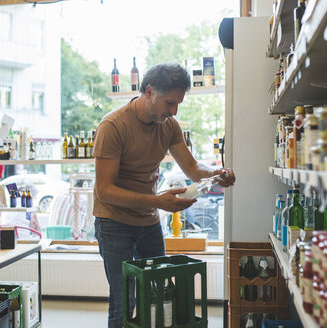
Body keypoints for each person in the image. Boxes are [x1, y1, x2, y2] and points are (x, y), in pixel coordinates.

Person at [93, 62, 236, 328]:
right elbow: (105, 190)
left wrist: (216, 174)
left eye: (178, 103)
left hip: (148, 222)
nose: (174, 111)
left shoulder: (169, 125)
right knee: (125, 299)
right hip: (113, 222)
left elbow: (193, 169)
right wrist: (158, 202)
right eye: (170, 102)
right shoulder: (112, 126)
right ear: (149, 92)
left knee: (159, 294)